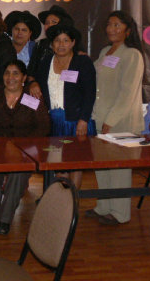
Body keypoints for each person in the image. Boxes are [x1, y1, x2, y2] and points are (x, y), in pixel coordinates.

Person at [88, 11, 144, 225]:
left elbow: (126, 93)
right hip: (101, 118)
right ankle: (104, 207)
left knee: (119, 168)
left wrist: (110, 120)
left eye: (117, 25)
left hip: (121, 122)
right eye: (109, 24)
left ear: (127, 30)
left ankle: (120, 213)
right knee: (102, 166)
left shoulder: (132, 55)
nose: (112, 29)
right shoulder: (104, 52)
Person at [0, 60, 50, 234]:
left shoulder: (30, 97)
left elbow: (43, 126)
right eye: (7, 73)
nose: (10, 77)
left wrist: (22, 147)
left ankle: (5, 218)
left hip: (25, 151)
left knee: (18, 174)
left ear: (24, 77)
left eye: (15, 73)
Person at [34, 23, 97, 188]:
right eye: (57, 41)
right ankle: (59, 202)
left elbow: (90, 93)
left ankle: (72, 206)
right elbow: (35, 78)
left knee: (75, 165)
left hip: (76, 121)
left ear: (73, 43)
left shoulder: (82, 62)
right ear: (52, 44)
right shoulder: (46, 61)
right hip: (54, 122)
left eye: (66, 40)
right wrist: (33, 83)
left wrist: (83, 120)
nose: (61, 45)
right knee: (58, 166)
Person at [28, 5, 76, 79]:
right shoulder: (40, 45)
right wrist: (33, 83)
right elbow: (31, 72)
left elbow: (77, 76)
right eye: (47, 23)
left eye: (54, 22)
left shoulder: (74, 46)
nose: (50, 25)